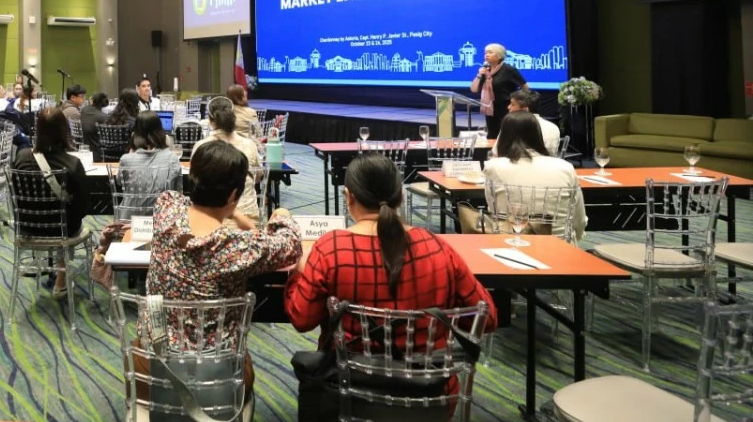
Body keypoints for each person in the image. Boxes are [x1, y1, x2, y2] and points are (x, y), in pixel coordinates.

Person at [284, 154, 497, 379]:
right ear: (401, 196)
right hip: (430, 394)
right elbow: (487, 318)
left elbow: (302, 319)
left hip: (347, 391)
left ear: (348, 197)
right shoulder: (437, 247)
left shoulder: (330, 249)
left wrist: (299, 270)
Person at [149, 142, 301, 347]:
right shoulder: (233, 248)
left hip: (156, 352)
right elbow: (290, 246)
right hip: (216, 366)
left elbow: (183, 203)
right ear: (233, 195)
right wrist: (282, 214)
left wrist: (229, 210)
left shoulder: (165, 207)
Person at [12, 107, 91, 297]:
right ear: (64, 131)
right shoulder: (72, 164)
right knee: (69, 219)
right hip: (62, 230)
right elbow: (83, 207)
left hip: (28, 228)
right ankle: (61, 278)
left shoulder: (21, 159)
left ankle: (57, 273)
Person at [484, 112, 586, 242]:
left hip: (508, 245)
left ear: (503, 136)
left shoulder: (493, 167)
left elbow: (493, 212)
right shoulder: (566, 167)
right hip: (561, 247)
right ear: (537, 134)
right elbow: (579, 220)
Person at [190, 96, 261, 218]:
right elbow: (258, 177)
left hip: (211, 216)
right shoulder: (249, 145)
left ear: (210, 120)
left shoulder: (201, 146)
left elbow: (194, 180)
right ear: (234, 116)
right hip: (248, 214)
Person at [117, 111, 184, 208]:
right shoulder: (172, 158)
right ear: (161, 131)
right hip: (163, 218)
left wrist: (130, 154)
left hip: (130, 218)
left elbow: (120, 182)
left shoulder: (126, 159)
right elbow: (178, 191)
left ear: (135, 133)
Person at [469, 43, 526, 139]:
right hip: (490, 108)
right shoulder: (486, 71)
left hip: (506, 108)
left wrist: (519, 103)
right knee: (492, 135)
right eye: (485, 53)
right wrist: (479, 75)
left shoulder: (508, 69)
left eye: (490, 52)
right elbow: (473, 89)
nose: (486, 55)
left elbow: (525, 87)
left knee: (506, 135)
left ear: (499, 55)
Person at [506, 89, 561, 157]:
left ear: (525, 110)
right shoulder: (553, 127)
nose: (508, 107)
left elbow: (497, 153)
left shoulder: (510, 125)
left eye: (512, 104)